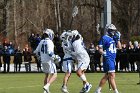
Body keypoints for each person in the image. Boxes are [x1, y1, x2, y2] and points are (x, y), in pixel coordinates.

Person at [94, 24, 121, 93]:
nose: (113, 32)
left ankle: (98, 90)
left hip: (113, 59)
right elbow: (100, 48)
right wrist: (104, 53)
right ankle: (116, 91)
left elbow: (120, 47)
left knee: (107, 76)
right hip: (108, 58)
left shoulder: (114, 38)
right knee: (112, 75)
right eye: (112, 30)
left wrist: (118, 39)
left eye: (114, 31)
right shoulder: (104, 38)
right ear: (108, 30)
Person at [34, 28, 61, 93]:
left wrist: (40, 57)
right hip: (49, 61)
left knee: (47, 75)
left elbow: (36, 51)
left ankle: (45, 91)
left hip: (43, 61)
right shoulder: (50, 42)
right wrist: (56, 57)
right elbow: (49, 52)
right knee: (55, 74)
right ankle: (47, 86)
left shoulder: (41, 41)